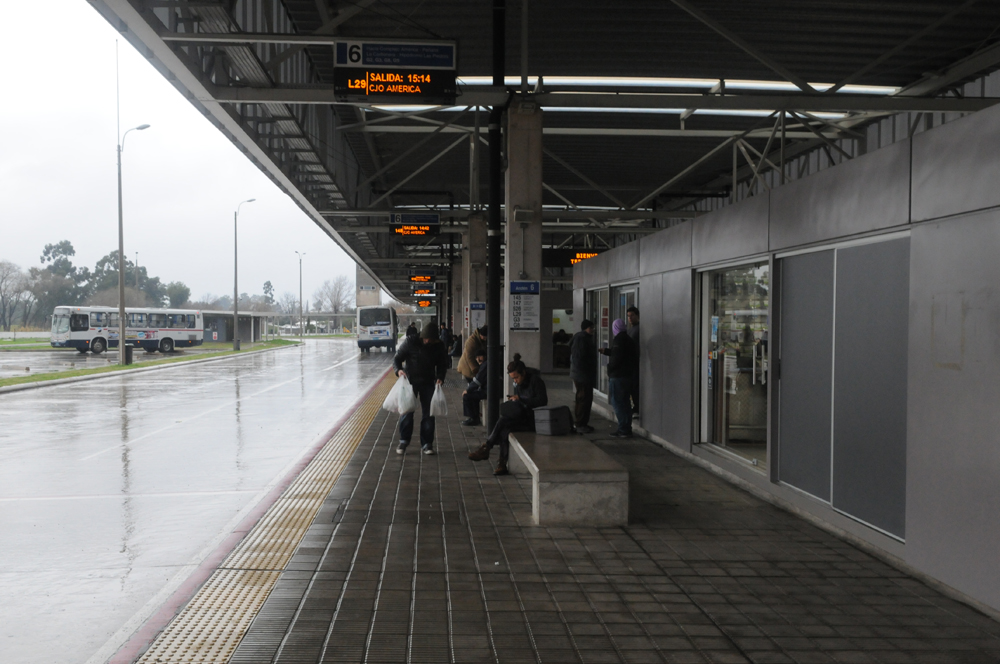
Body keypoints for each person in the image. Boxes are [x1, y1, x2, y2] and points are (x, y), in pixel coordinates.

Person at [468, 354, 548, 476]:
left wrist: (521, 399)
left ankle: (489, 449)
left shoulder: (536, 381)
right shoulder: (519, 383)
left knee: (503, 424)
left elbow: (542, 401)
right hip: (522, 415)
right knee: (504, 427)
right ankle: (500, 462)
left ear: (523, 373)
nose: (515, 381)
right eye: (513, 379)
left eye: (516, 378)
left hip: (533, 420)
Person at [393, 322, 449, 455]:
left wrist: (440, 377)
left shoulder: (438, 346)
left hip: (429, 382)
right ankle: (403, 441)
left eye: (431, 339)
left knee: (429, 413)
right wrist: (399, 371)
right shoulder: (411, 341)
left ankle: (427, 444)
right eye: (425, 338)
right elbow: (397, 358)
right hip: (410, 381)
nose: (428, 341)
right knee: (407, 412)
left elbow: (442, 364)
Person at [601, 318, 636, 438]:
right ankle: (627, 428)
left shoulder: (618, 340)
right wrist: (607, 351)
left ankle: (623, 429)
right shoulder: (628, 339)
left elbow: (617, 358)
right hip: (627, 376)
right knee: (625, 403)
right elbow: (622, 355)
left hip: (618, 376)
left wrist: (609, 368)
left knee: (617, 402)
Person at [569, 319, 597, 434]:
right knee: (583, 399)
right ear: (586, 328)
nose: (593, 330)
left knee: (585, 399)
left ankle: (583, 423)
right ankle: (580, 424)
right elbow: (579, 358)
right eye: (591, 328)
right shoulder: (582, 338)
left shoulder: (583, 338)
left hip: (582, 374)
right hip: (582, 375)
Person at [461, 350, 488, 426]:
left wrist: (468, 390)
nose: (478, 359)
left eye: (480, 356)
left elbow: (478, 380)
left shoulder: (485, 365)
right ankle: (475, 416)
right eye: (476, 357)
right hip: (488, 389)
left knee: (467, 396)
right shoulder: (485, 364)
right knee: (474, 395)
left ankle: (473, 418)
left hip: (488, 391)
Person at [626, 306, 641, 416]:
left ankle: (637, 407)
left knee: (635, 386)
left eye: (632, 316)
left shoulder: (639, 329)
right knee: (632, 386)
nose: (630, 318)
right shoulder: (631, 329)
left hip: (636, 362)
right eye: (628, 316)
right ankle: (635, 406)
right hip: (631, 363)